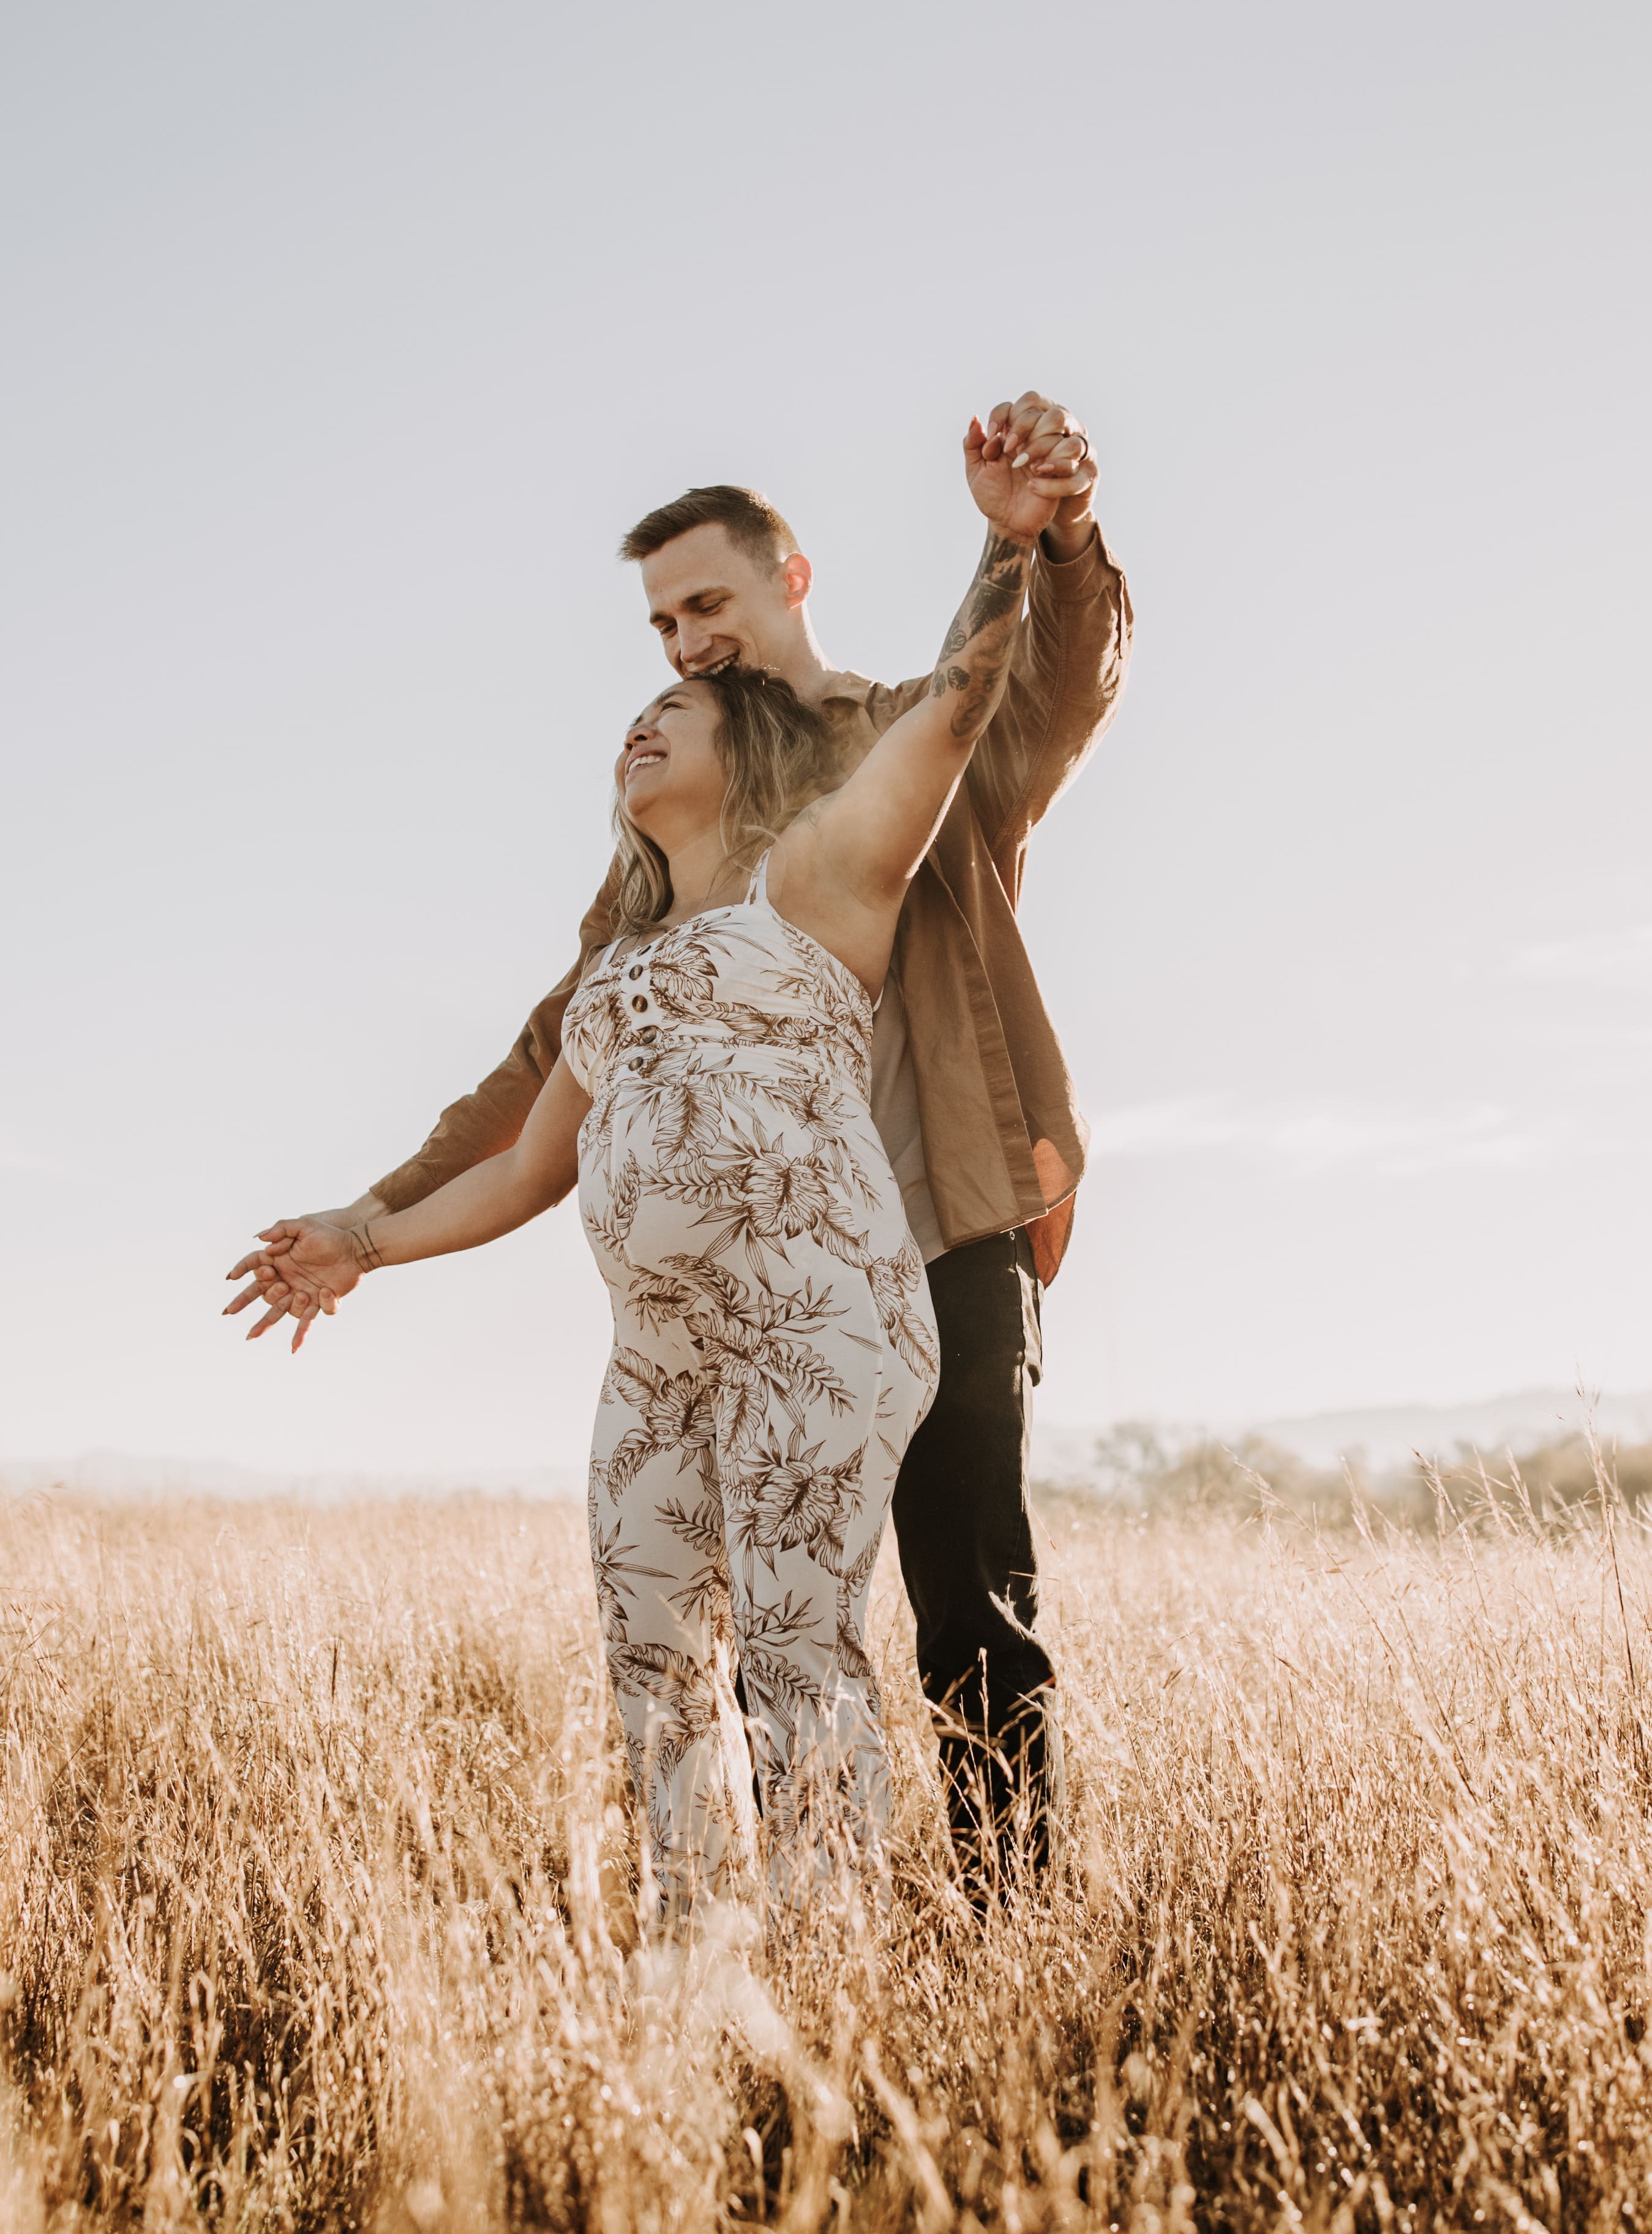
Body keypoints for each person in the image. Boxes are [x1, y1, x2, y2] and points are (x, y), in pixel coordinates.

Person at [249, 393, 1130, 1897]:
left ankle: (1005, 1933)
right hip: (717, 1306)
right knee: (717, 1620)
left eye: (707, 603)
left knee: (962, 1601)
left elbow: (1039, 695)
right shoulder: (660, 856)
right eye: (660, 625)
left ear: (790, 579)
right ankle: (745, 1926)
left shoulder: (893, 746)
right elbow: (551, 1073)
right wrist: (374, 1215)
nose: (683, 643)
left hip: (937, 1228)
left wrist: (1046, 543)